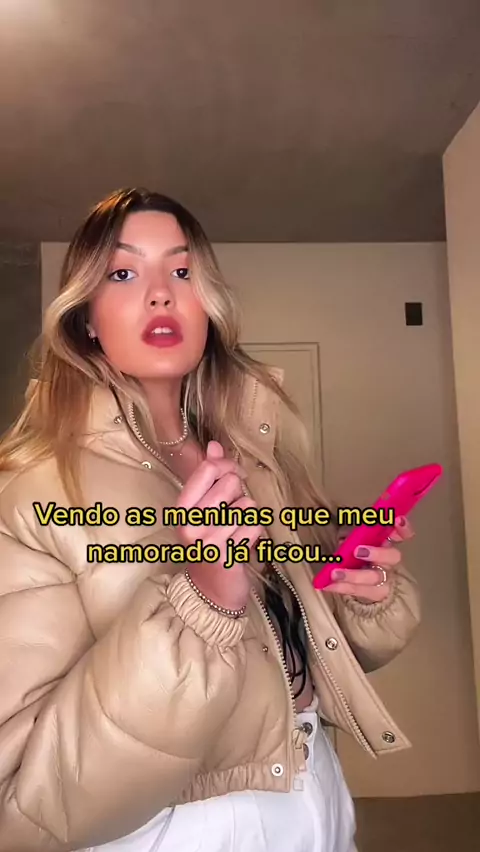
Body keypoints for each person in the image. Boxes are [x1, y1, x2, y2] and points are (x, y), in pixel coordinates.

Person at [0, 188, 420, 852]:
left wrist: (357, 595)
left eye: (182, 270)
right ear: (85, 318)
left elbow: (295, 659)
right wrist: (202, 601)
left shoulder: (257, 457)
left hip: (316, 790)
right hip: (174, 829)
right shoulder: (31, 491)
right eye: (124, 273)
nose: (161, 295)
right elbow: (24, 801)